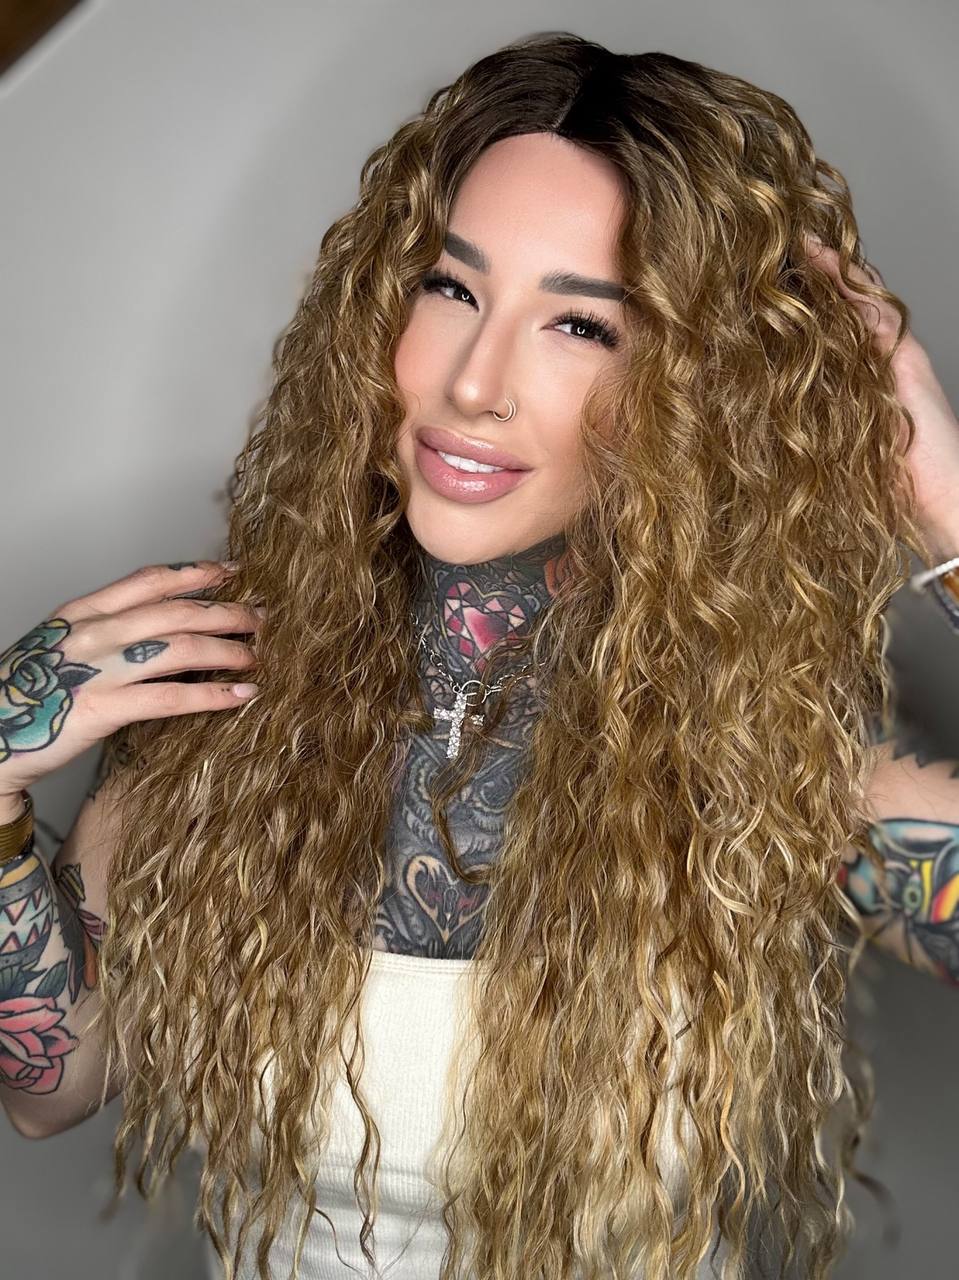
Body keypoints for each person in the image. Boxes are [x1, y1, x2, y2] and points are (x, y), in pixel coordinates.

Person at [0, 28, 951, 1280]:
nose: (473, 383)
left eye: (582, 326)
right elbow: (53, 1087)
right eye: (450, 289)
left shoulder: (758, 744)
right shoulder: (219, 684)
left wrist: (944, 501)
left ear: (696, 389)